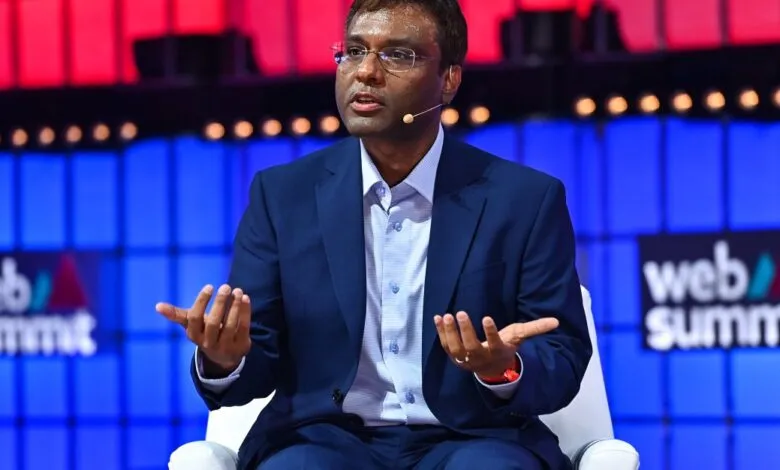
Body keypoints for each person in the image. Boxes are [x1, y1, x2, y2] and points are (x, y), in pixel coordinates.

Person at [156, 0, 592, 469]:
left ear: (448, 80)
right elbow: (253, 363)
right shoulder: (283, 195)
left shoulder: (523, 199)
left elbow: (562, 355)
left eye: (398, 55)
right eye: (353, 51)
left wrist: (501, 368)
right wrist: (225, 359)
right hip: (322, 439)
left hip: (474, 435)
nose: (365, 72)